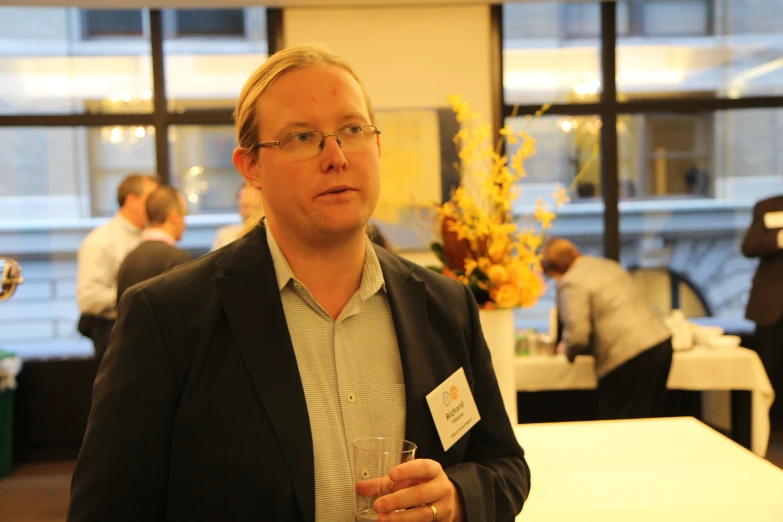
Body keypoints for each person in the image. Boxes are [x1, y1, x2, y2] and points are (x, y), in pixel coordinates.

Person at [68, 45, 529, 522]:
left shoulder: (444, 305)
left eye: (352, 130)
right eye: (302, 137)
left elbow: (504, 465)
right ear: (251, 168)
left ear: (376, 145)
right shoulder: (168, 318)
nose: (335, 156)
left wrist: (455, 498)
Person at [541, 238, 673, 420]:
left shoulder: (571, 281)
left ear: (554, 270)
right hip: (661, 342)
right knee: (651, 419)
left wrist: (566, 349)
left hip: (626, 355)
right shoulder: (607, 265)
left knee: (622, 427)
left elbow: (578, 334)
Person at [76, 173, 158, 360]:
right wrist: (136, 298)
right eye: (151, 199)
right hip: (114, 333)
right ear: (131, 200)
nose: (156, 204)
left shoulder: (150, 235)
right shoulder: (101, 241)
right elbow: (88, 298)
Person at [741, 191, 783, 427]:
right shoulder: (767, 206)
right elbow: (749, 247)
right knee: (771, 366)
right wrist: (778, 240)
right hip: (771, 305)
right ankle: (767, 427)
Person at [116, 186, 192, 302]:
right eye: (184, 213)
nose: (185, 222)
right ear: (174, 216)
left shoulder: (128, 259)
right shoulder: (178, 259)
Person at [211, 182, 264, 250]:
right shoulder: (225, 237)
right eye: (245, 206)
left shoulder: (271, 239)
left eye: (254, 207)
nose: (250, 212)